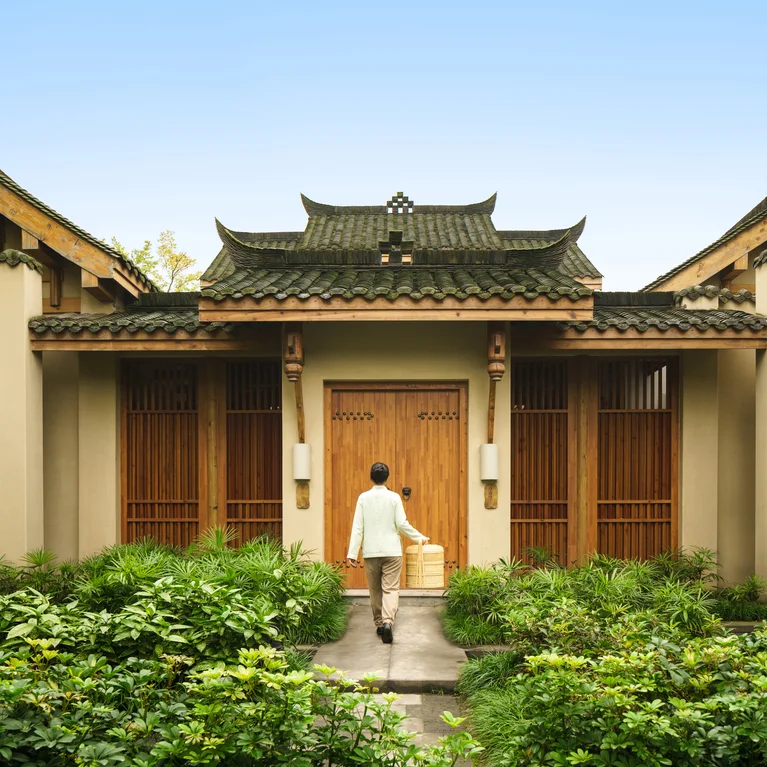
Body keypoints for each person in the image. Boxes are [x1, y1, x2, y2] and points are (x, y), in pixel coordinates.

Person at [347, 461, 428, 644]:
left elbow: (358, 527)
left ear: (371, 477)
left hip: (371, 552)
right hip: (392, 551)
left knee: (375, 589)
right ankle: (388, 622)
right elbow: (401, 524)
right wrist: (419, 538)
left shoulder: (363, 498)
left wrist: (352, 553)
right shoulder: (394, 498)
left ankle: (379, 624)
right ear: (387, 478)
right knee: (391, 588)